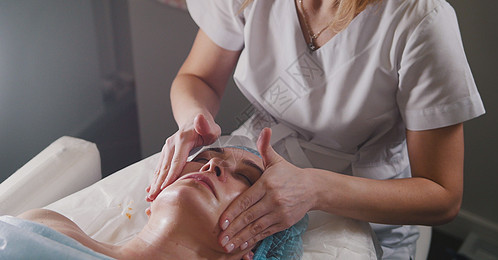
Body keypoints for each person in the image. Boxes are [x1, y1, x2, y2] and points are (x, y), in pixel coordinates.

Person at [146, 0, 485, 258]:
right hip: (253, 160)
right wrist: (194, 119)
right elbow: (198, 77)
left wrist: (315, 190)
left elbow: (442, 196)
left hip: (363, 201)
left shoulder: (420, 21)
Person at [1, 133, 307, 260]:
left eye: (245, 178)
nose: (212, 164)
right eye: (202, 159)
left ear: (248, 249)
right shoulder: (46, 224)